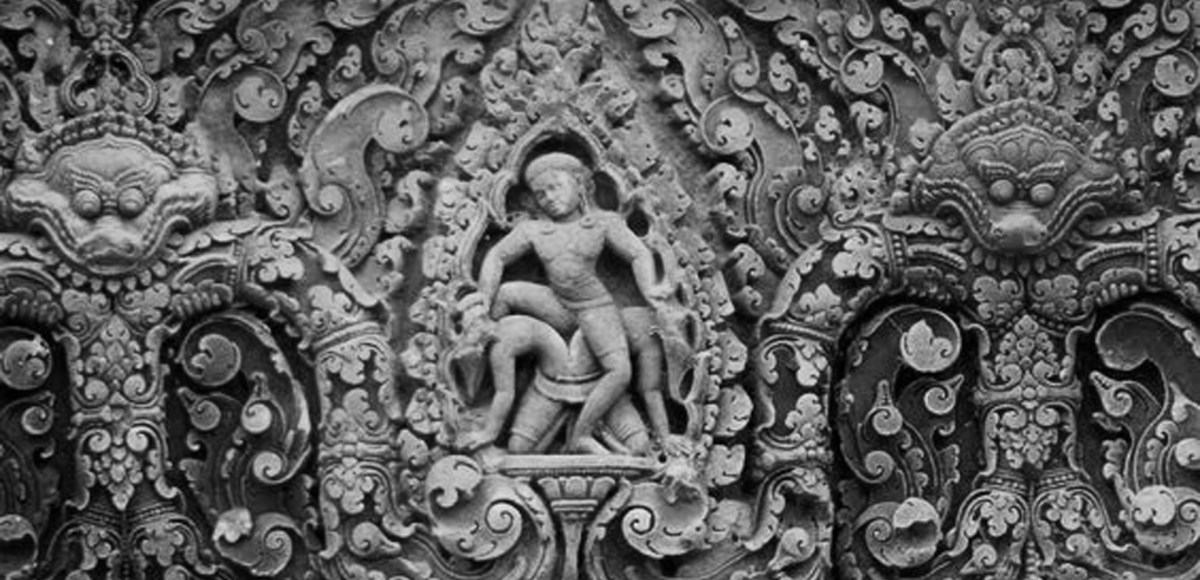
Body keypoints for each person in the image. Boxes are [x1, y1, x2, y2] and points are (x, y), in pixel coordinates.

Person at [476, 152, 670, 453]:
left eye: (555, 187)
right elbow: (497, 256)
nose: (549, 199)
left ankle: (583, 433)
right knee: (507, 293)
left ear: (580, 184)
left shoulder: (602, 223)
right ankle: (488, 377)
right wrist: (484, 304)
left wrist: (650, 291)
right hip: (557, 305)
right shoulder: (534, 230)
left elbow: (637, 253)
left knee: (620, 371)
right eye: (541, 194)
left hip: (594, 308)